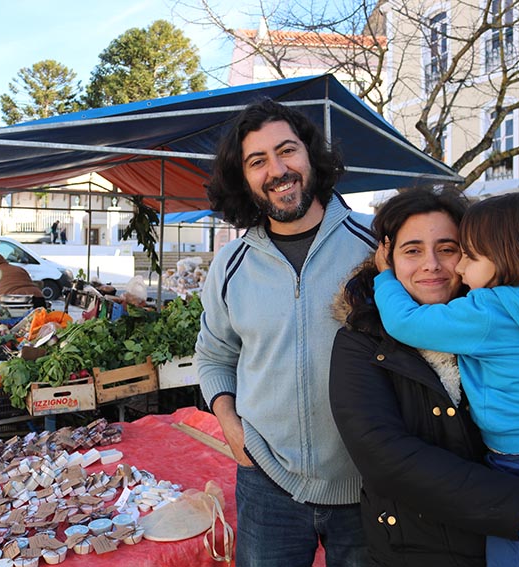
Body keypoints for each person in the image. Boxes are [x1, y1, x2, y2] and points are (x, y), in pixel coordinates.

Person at [329, 188, 519, 567]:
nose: (435, 265)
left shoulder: (510, 323)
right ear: (387, 260)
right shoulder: (361, 341)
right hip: (420, 553)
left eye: (450, 248)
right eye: (412, 251)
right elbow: (386, 457)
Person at [195, 98, 376, 566]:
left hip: (370, 482)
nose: (278, 169)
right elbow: (214, 356)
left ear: (311, 155)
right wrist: (230, 425)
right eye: (258, 161)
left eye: (287, 150)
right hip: (266, 484)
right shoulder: (230, 266)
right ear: (245, 177)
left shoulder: (377, 247)